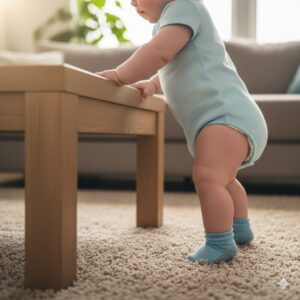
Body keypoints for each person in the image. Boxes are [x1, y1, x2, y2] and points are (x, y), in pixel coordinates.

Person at [96, 0, 268, 264]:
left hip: (225, 114)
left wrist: (121, 75)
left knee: (207, 177)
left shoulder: (183, 6)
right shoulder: (173, 21)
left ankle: (220, 242)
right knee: (223, 178)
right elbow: (171, 65)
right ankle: (240, 228)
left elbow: (159, 53)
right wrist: (153, 84)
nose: (132, 2)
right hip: (230, 116)